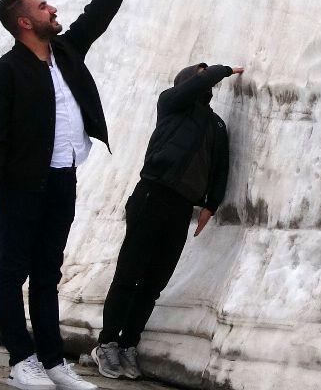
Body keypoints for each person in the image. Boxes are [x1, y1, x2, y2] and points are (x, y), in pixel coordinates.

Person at [0, 0, 138, 390]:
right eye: (44, 7)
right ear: (25, 21)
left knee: (47, 273)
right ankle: (20, 360)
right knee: (13, 271)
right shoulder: (2, 76)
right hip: (21, 186)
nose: (54, 10)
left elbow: (93, 19)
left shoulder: (65, 53)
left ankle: (53, 363)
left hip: (63, 179)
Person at [91, 62, 243, 380]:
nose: (205, 81)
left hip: (181, 207)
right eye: (199, 75)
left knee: (152, 283)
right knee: (128, 274)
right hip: (152, 194)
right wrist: (222, 69)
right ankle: (106, 344)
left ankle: (128, 345)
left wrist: (210, 204)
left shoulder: (216, 125)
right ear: (186, 82)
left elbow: (221, 165)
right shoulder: (171, 103)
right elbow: (190, 89)